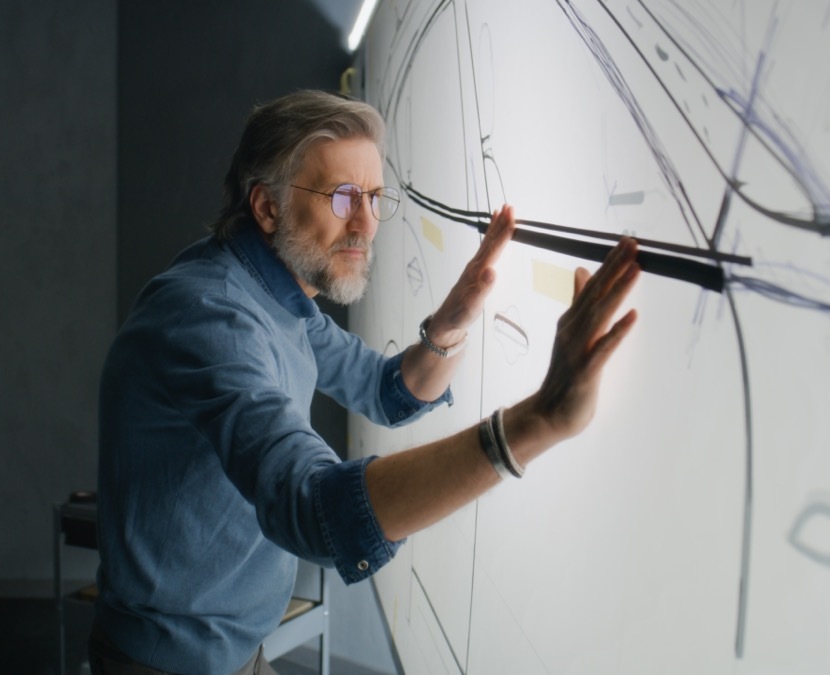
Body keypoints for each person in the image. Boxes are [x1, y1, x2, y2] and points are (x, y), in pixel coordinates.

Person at [92, 89, 640, 675]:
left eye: (375, 197)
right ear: (267, 207)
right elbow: (316, 509)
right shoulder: (212, 318)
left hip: (234, 651)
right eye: (343, 196)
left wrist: (451, 322)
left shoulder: (275, 292)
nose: (365, 224)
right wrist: (539, 421)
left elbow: (385, 390)